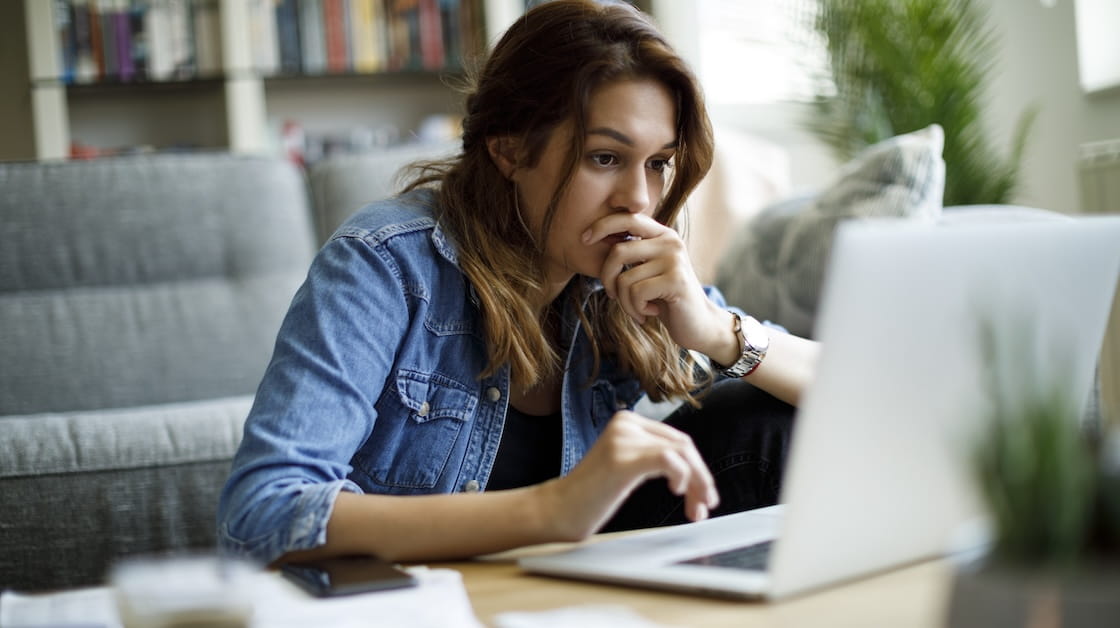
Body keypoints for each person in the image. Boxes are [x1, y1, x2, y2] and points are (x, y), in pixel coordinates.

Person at [217, 0, 820, 566]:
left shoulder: (619, 278)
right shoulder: (386, 264)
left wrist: (716, 331)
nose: (639, 198)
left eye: (658, 163)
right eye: (604, 158)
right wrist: (553, 510)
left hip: (561, 589)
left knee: (764, 419)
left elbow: (845, 392)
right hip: (423, 598)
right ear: (509, 150)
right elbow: (261, 513)